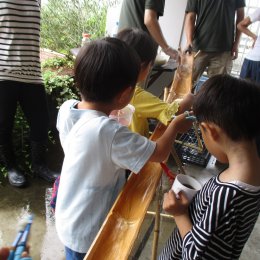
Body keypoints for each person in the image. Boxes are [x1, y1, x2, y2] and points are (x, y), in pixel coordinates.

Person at [55, 37, 193, 259]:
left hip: (68, 216)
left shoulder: (67, 109)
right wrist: (175, 126)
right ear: (124, 95)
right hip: (89, 231)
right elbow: (160, 153)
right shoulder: (108, 132)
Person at [159, 74, 260, 259]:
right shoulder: (252, 175)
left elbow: (197, 256)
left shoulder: (226, 196)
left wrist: (179, 213)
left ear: (211, 131)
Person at [0, 0, 59, 187]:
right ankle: (11, 167)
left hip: (33, 74)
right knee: (3, 125)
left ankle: (39, 166)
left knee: (41, 122)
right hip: (3, 72)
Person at [116, 28, 194, 137]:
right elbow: (170, 114)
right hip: (137, 150)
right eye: (150, 65)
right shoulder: (133, 94)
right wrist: (189, 99)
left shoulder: (110, 87)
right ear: (143, 66)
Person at [185, 0, 245, 89]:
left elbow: (241, 18)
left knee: (218, 90)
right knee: (185, 87)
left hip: (224, 49)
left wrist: (236, 44)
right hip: (198, 47)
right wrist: (189, 41)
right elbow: (190, 17)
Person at [238, 8, 260, 84]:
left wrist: (255, 37)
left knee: (243, 92)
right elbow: (240, 25)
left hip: (250, 60)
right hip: (252, 59)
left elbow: (240, 25)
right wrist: (255, 37)